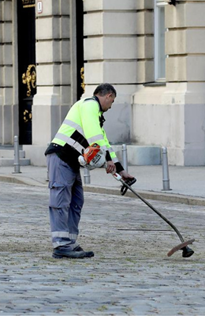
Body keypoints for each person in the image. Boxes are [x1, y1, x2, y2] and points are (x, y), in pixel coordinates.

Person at [44, 83, 136, 259]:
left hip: (70, 161)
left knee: (76, 200)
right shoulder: (89, 105)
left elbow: (104, 142)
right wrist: (106, 159)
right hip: (61, 156)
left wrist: (121, 170)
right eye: (112, 101)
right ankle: (61, 245)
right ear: (108, 95)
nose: (111, 105)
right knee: (61, 200)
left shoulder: (96, 115)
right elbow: (95, 136)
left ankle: (70, 242)